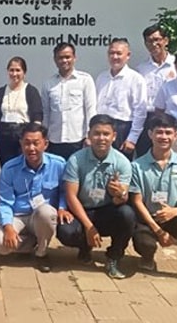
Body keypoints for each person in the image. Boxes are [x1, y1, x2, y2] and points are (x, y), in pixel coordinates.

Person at [129, 113, 177, 286]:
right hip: (148, 220)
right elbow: (136, 201)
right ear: (150, 134)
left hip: (173, 217)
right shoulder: (137, 166)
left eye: (168, 133)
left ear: (175, 136)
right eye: (159, 132)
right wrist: (158, 231)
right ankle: (147, 256)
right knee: (145, 243)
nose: (163, 137)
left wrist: (176, 211)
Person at [58, 114, 136, 279]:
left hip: (106, 211)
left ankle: (114, 257)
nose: (101, 138)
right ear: (89, 135)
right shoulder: (76, 159)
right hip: (82, 210)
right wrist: (89, 227)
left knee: (127, 214)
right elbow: (71, 196)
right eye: (97, 133)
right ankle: (84, 247)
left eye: (106, 134)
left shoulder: (122, 162)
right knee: (65, 230)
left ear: (114, 136)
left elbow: (121, 200)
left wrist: (119, 193)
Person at [0, 123, 66, 273]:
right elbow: (4, 202)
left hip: (42, 215)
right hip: (18, 215)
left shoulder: (58, 164)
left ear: (45, 144)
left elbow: (65, 191)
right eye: (27, 143)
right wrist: (8, 227)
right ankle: (29, 243)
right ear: (21, 144)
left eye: (36, 143)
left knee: (46, 212)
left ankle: (42, 253)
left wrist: (63, 207)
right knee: (0, 245)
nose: (31, 148)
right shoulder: (10, 168)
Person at [41, 42, 97, 160]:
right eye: (60, 57)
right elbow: (46, 113)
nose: (64, 60)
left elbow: (90, 109)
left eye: (67, 57)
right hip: (55, 140)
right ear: (55, 60)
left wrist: (89, 135)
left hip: (78, 140)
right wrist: (43, 136)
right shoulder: (48, 83)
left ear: (74, 58)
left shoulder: (85, 80)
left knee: (76, 176)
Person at [95, 38, 148, 160]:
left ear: (128, 55)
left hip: (123, 129)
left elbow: (140, 112)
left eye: (119, 53)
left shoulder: (136, 79)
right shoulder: (102, 77)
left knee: (120, 169)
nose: (114, 57)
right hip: (101, 127)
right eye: (111, 53)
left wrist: (132, 139)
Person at [0, 56, 43, 167]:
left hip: (24, 134)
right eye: (11, 70)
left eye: (18, 70)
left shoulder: (31, 91)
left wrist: (34, 139)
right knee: (7, 167)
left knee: (24, 167)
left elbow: (37, 117)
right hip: (4, 136)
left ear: (24, 72)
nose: (14, 73)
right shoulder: (1, 92)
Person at [135, 24, 177, 156]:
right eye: (149, 41)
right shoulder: (141, 69)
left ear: (166, 40)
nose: (154, 44)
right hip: (147, 118)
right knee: (145, 155)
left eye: (157, 39)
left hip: (170, 117)